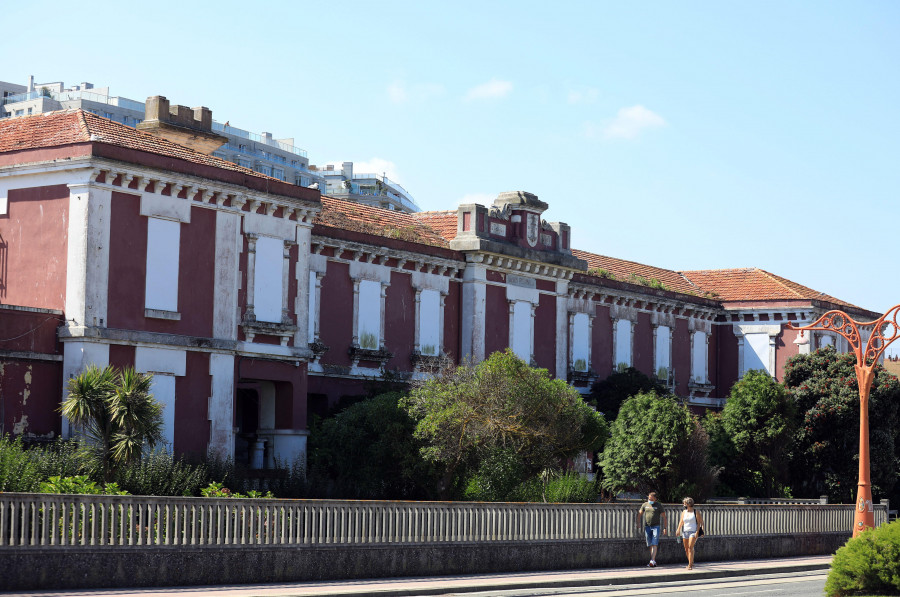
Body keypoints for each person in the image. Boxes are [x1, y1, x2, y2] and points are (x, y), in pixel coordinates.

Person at [637, 491, 667, 567]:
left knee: (655, 543)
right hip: (647, 526)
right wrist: (638, 523)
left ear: (655, 499)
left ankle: (652, 560)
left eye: (651, 498)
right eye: (649, 498)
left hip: (656, 526)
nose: (649, 499)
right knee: (650, 544)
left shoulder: (658, 505)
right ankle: (653, 560)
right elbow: (640, 513)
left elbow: (664, 517)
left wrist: (665, 528)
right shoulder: (645, 504)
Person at [675, 497, 705, 570]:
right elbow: (681, 521)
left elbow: (699, 523)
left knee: (690, 547)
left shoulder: (696, 512)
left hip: (693, 531)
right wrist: (678, 529)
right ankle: (691, 561)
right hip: (685, 531)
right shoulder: (684, 512)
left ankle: (690, 565)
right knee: (686, 549)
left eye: (684, 503)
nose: (683, 505)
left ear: (688, 504)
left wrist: (697, 532)